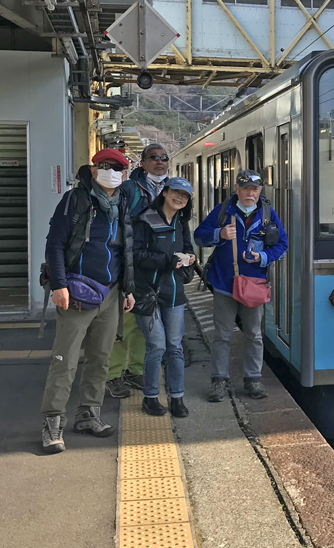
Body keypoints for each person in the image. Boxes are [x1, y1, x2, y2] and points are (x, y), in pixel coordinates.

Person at [39, 148, 136, 454]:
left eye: (118, 168)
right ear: (93, 172)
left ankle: (89, 414)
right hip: (77, 292)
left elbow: (124, 250)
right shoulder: (76, 200)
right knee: (64, 360)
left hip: (110, 291)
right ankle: (52, 423)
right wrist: (59, 284)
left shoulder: (121, 203)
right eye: (105, 167)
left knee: (101, 357)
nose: (112, 172)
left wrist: (128, 288)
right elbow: (55, 243)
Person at [194, 169, 288, 402]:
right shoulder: (223, 211)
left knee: (254, 334)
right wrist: (219, 234)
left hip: (254, 285)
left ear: (260, 191)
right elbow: (199, 236)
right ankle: (219, 381)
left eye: (255, 189)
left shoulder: (267, 214)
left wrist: (263, 258)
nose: (250, 193)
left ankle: (253, 379)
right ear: (236, 190)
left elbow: (282, 244)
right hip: (225, 283)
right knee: (222, 335)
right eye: (245, 188)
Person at [105, 144, 172, 399]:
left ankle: (134, 369)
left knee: (141, 322)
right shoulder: (130, 189)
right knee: (121, 324)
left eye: (163, 158)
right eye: (153, 158)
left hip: (152, 265)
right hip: (128, 261)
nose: (159, 162)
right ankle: (112, 374)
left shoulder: (170, 188)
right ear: (142, 163)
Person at [133, 177, 196, 418]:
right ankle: (150, 397)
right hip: (147, 292)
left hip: (174, 293)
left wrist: (189, 259)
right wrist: (166, 261)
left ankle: (177, 397)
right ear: (165, 192)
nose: (180, 197)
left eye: (185, 195)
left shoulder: (181, 222)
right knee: (157, 345)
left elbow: (189, 248)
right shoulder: (145, 219)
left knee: (175, 347)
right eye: (176, 192)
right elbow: (136, 255)